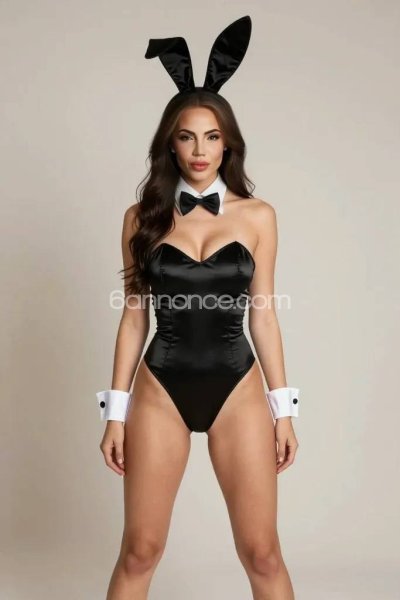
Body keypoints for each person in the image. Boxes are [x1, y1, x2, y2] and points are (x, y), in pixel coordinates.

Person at [96, 15, 300, 600]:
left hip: (239, 386)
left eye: (212, 137)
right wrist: (114, 412)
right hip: (160, 386)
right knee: (140, 550)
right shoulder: (141, 218)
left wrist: (284, 409)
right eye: (187, 137)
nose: (200, 150)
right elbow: (134, 316)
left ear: (228, 142)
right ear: (170, 142)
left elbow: (264, 314)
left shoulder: (259, 217)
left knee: (262, 553)